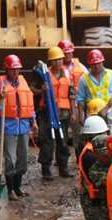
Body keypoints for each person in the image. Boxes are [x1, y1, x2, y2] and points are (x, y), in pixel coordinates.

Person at [0, 54, 38, 200]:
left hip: (23, 126)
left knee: (22, 158)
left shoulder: (23, 82)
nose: (15, 72)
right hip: (8, 126)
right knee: (10, 158)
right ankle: (10, 189)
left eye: (17, 69)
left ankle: (18, 187)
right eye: (12, 69)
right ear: (6, 69)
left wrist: (33, 122)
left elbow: (29, 104)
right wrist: (0, 97)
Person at [31, 47, 75, 179]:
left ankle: (63, 167)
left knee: (63, 140)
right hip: (46, 113)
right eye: (55, 60)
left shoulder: (67, 73)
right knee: (46, 141)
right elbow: (32, 89)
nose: (58, 62)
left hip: (64, 114)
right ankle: (46, 169)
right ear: (50, 61)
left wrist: (73, 112)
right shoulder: (43, 74)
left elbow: (71, 94)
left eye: (60, 59)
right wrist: (42, 90)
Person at [78, 115, 109, 220]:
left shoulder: (89, 150)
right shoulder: (91, 156)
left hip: (90, 195)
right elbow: (100, 180)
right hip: (91, 197)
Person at [77, 49, 112, 127]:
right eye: (93, 64)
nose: (96, 66)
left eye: (98, 63)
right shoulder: (84, 79)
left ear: (102, 62)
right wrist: (81, 116)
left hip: (111, 113)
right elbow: (80, 99)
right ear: (89, 64)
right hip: (93, 114)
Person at [58, 39, 89, 161]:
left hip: (77, 104)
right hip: (60, 106)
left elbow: (88, 83)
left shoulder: (81, 68)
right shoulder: (55, 68)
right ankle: (61, 160)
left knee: (79, 132)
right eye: (65, 53)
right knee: (61, 134)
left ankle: (79, 157)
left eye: (69, 53)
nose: (67, 55)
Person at [88, 134, 112, 220]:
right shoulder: (95, 169)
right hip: (104, 209)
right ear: (96, 154)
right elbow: (108, 182)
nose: (106, 157)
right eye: (103, 154)